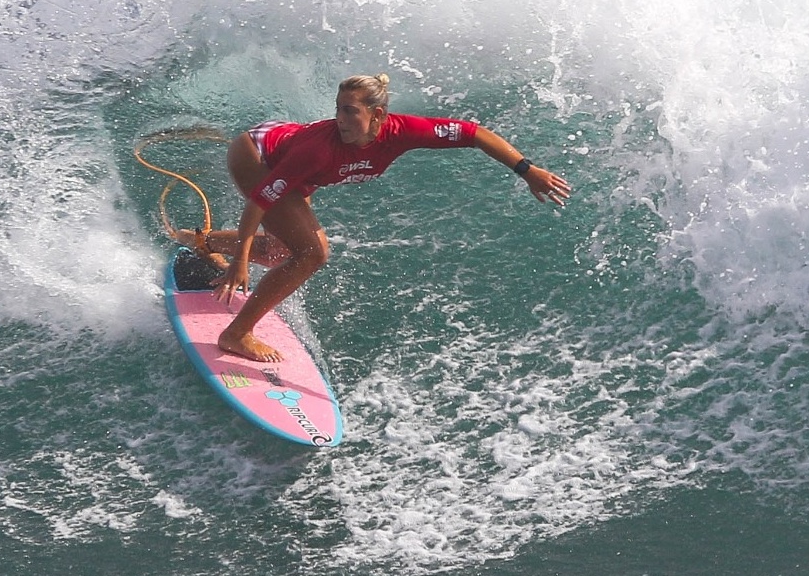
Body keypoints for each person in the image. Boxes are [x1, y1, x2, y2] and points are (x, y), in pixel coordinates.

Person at [213, 73, 571, 361]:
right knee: (312, 252)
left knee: (281, 250)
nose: (340, 119)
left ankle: (202, 241)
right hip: (258, 155)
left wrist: (527, 170)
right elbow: (259, 203)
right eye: (338, 109)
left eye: (350, 111)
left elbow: (473, 133)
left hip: (292, 157)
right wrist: (240, 264)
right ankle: (237, 334)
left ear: (378, 115)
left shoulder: (402, 132)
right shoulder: (319, 148)